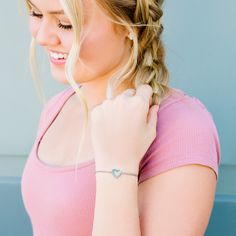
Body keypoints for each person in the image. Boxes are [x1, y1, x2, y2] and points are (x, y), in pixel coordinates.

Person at [21, 0, 221, 235]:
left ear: (128, 24)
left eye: (66, 23)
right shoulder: (58, 107)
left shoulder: (183, 130)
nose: (42, 36)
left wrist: (118, 165)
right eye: (36, 13)